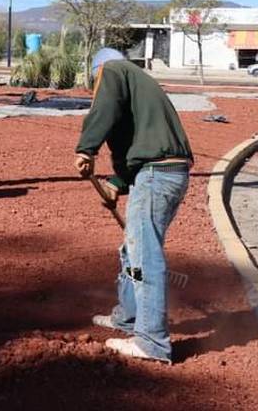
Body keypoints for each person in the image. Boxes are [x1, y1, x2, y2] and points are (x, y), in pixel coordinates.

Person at [75, 47, 193, 364]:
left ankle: (152, 342)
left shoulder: (113, 70)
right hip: (163, 173)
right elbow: (137, 141)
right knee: (133, 251)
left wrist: (86, 149)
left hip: (156, 175)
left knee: (144, 255)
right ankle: (127, 317)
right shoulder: (140, 83)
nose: (97, 89)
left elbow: (105, 108)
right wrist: (117, 183)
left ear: (98, 71)